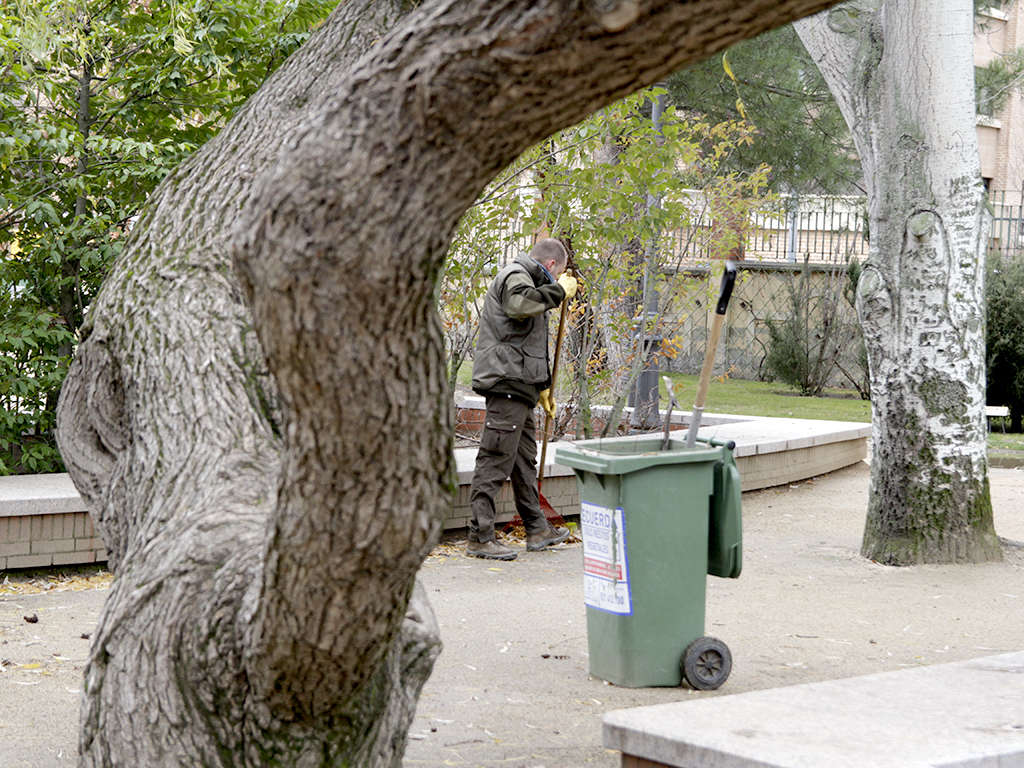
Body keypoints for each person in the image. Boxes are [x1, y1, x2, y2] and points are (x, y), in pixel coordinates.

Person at [466, 238, 578, 560]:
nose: (556, 280)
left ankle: (537, 528)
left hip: (520, 387)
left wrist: (540, 386)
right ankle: (480, 536)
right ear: (551, 265)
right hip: (507, 385)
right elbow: (518, 307)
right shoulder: (516, 275)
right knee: (495, 460)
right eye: (557, 275)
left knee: (523, 461)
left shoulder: (529, 280)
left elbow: (525, 337)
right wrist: (557, 292)